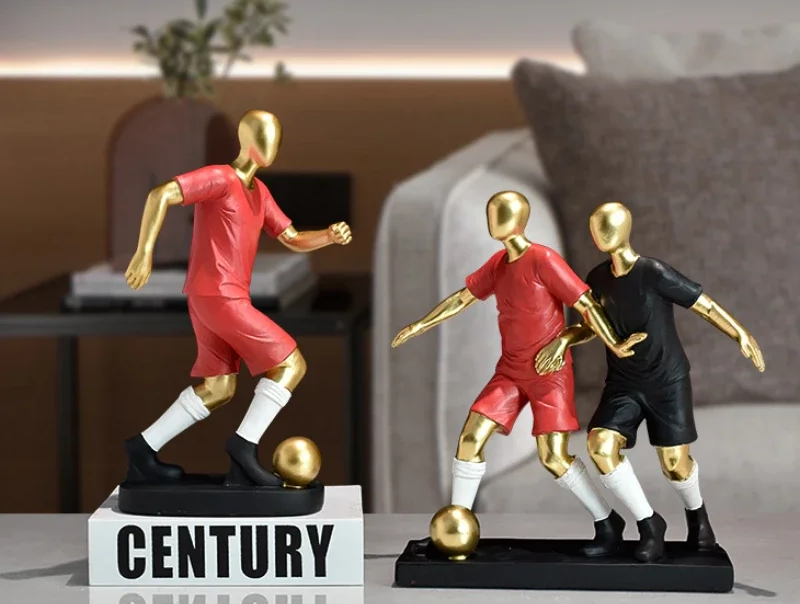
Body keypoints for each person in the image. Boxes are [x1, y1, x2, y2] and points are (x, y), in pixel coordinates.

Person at [392, 190, 645, 556]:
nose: (492, 220)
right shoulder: (498, 264)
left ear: (518, 220)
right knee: (470, 438)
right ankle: (456, 527)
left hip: (548, 373)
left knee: (553, 457)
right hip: (510, 372)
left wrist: (612, 343)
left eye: (500, 213)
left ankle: (607, 521)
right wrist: (420, 324)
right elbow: (463, 297)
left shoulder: (543, 259)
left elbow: (587, 305)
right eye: (490, 212)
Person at [123, 110, 352, 486]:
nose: (272, 146)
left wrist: (328, 235)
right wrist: (143, 252)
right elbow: (160, 194)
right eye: (265, 136)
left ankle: (142, 448)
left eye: (276, 138)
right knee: (290, 364)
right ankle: (243, 448)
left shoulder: (260, 193)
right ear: (247, 140)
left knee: (219, 388)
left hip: (213, 297)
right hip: (221, 297)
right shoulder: (220, 177)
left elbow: (292, 238)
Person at [536, 202, 764, 562]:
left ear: (624, 229)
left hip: (666, 381)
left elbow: (702, 304)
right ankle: (649, 523)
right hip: (624, 383)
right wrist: (564, 339)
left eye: (606, 225)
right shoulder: (596, 278)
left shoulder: (653, 272)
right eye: (595, 227)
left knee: (674, 463)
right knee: (600, 445)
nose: (599, 233)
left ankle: (698, 516)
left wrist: (740, 333)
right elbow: (592, 326)